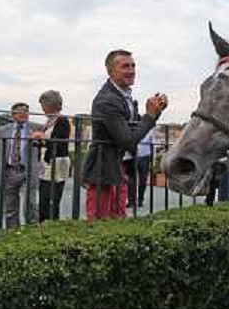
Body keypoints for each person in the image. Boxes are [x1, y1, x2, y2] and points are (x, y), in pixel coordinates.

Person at [82, 49, 168, 221]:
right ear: (110, 71)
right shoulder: (107, 99)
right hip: (103, 171)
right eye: (125, 66)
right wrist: (150, 115)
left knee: (118, 220)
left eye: (133, 66)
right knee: (101, 225)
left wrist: (156, 111)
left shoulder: (123, 96)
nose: (131, 71)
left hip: (116, 169)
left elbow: (137, 127)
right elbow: (128, 141)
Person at [0, 102, 43, 228]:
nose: (24, 114)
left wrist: (41, 137)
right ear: (13, 115)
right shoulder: (3, 130)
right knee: (10, 205)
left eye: (26, 111)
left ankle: (31, 230)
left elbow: (47, 137)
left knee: (30, 203)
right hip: (10, 171)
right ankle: (12, 232)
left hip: (27, 170)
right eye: (20, 111)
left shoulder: (37, 128)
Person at [37, 90, 71, 222]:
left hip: (57, 164)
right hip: (48, 163)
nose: (42, 109)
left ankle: (50, 224)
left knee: (50, 199)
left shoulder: (61, 120)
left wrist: (42, 137)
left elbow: (60, 142)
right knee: (45, 197)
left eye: (43, 105)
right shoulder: (50, 120)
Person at [123, 128, 154, 209]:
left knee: (143, 179)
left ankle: (140, 200)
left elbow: (153, 144)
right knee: (131, 179)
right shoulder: (132, 128)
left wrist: (152, 160)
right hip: (132, 156)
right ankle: (131, 201)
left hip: (145, 156)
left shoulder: (150, 130)